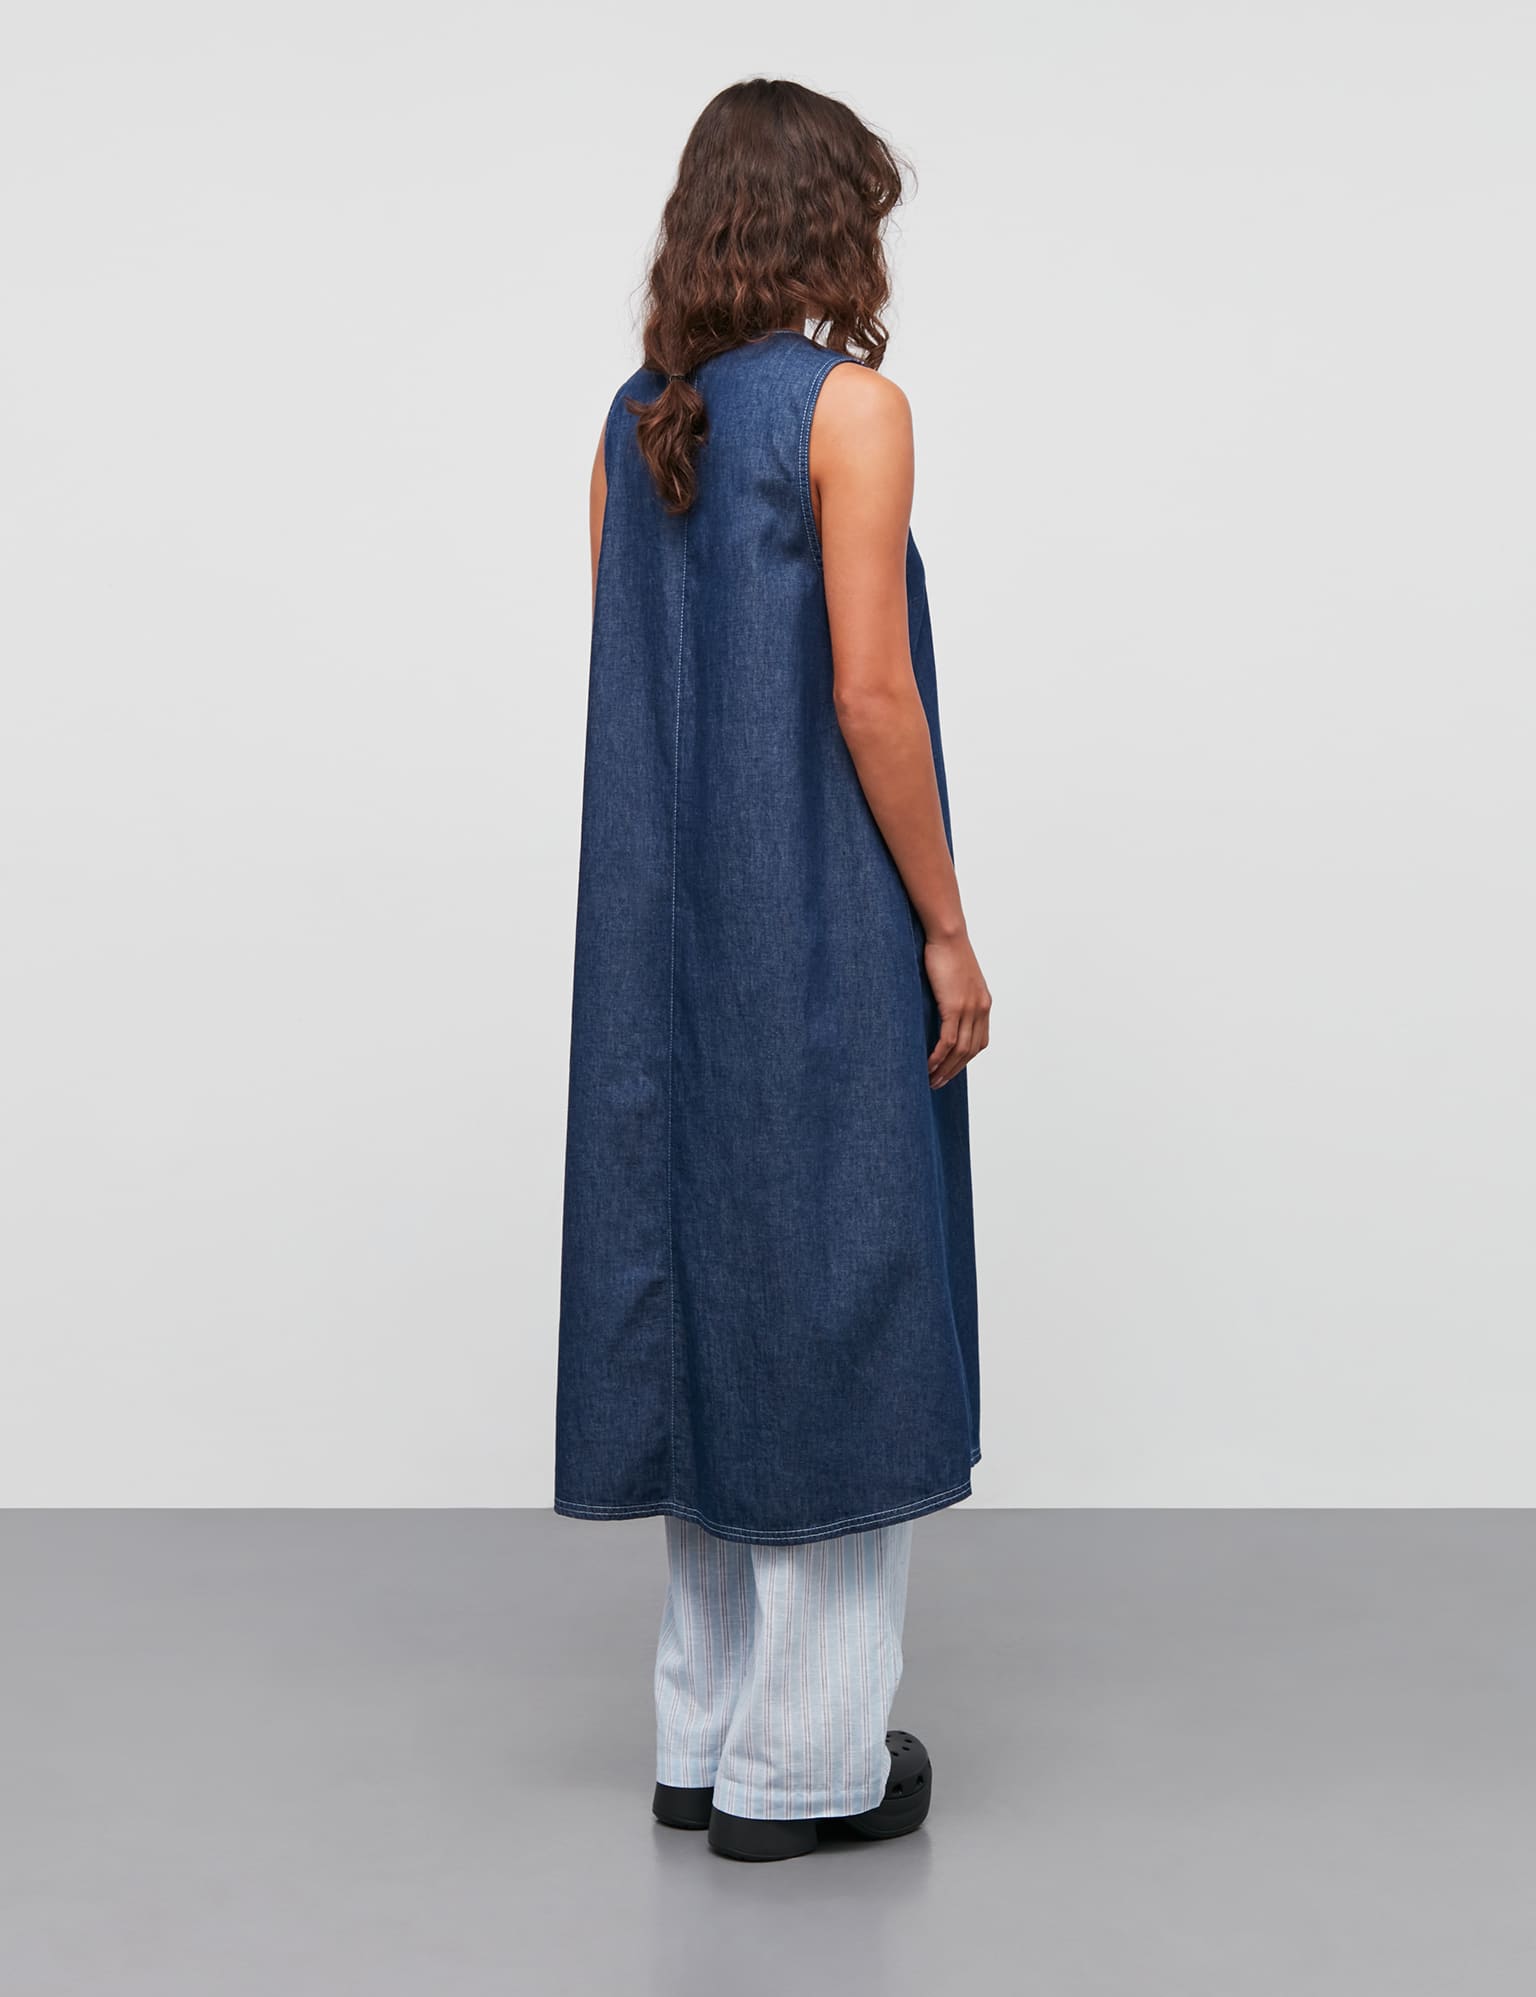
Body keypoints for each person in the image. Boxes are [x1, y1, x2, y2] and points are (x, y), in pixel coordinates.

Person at [554, 77, 989, 1863]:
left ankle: (700, 1737)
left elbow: (640, 683)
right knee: (838, 1287)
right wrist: (944, 923)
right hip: (805, 916)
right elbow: (869, 695)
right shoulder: (851, 410)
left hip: (662, 941)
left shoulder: (629, 422)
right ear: (831, 223)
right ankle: (804, 1765)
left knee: (709, 1286)